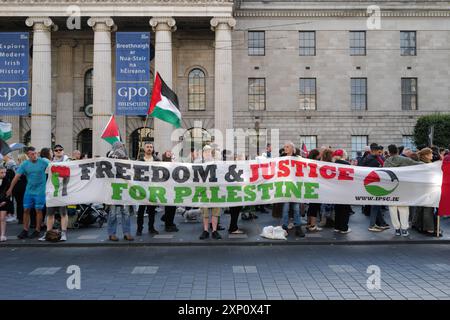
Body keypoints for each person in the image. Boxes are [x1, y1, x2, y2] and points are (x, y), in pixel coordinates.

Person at [6, 147, 50, 239]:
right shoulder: (24, 164)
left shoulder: (43, 162)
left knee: (38, 210)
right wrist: (10, 189)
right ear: (28, 155)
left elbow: (54, 169)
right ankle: (25, 230)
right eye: (32, 154)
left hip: (40, 191)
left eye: (35, 153)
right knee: (26, 210)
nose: (34, 155)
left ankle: (37, 230)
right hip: (29, 191)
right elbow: (16, 177)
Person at [383, 144, 421, 237]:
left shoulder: (386, 162)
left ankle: (396, 229)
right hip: (403, 187)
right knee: (404, 208)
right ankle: (404, 229)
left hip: (391, 188)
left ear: (389, 151)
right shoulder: (404, 160)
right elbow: (418, 164)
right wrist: (432, 165)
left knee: (392, 208)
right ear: (397, 151)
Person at [39, 144, 70, 241]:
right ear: (53, 152)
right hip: (52, 190)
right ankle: (48, 233)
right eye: (56, 150)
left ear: (63, 151)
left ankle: (64, 233)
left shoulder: (68, 161)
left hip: (63, 190)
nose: (58, 151)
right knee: (50, 214)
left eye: (60, 149)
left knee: (63, 213)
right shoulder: (50, 162)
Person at [107, 141, 134, 241]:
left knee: (125, 212)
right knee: (113, 213)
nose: (122, 147)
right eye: (121, 146)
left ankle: (127, 233)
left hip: (124, 187)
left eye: (123, 146)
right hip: (113, 188)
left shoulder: (127, 157)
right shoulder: (109, 156)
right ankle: (111, 233)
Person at [361, 143, 389, 232]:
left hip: (372, 184)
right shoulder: (373, 160)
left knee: (376, 205)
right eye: (378, 151)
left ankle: (381, 223)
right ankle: (372, 225)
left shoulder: (369, 158)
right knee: (375, 205)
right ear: (374, 151)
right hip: (374, 184)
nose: (380, 153)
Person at [280, 142, 304, 237]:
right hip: (285, 186)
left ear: (292, 148)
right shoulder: (281, 158)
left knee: (296, 208)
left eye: (287, 147)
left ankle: (298, 227)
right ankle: (284, 227)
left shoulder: (297, 158)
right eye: (284, 146)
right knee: (285, 208)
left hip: (295, 186)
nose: (285, 148)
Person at [412, 148, 437, 236]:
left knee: (421, 208)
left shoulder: (424, 164)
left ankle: (416, 224)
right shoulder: (425, 165)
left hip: (424, 189)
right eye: (431, 154)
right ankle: (428, 228)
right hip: (427, 189)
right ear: (426, 155)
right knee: (428, 208)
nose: (432, 155)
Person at [136, 142, 159, 236]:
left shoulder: (157, 160)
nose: (149, 148)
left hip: (153, 188)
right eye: (147, 147)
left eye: (151, 147)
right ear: (144, 149)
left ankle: (151, 228)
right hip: (142, 188)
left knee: (152, 211)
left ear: (153, 149)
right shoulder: (140, 161)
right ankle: (139, 229)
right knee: (141, 211)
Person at [199, 145, 222, 240]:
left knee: (215, 212)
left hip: (215, 190)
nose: (207, 153)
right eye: (206, 151)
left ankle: (214, 230)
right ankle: (205, 230)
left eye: (209, 151)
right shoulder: (199, 163)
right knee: (205, 212)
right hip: (203, 190)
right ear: (203, 153)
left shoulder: (217, 163)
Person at [332, 149, 353, 234]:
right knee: (345, 209)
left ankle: (337, 226)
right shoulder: (347, 164)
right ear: (344, 155)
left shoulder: (332, 164)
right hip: (345, 189)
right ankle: (344, 228)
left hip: (335, 189)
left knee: (337, 208)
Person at [161, 150, 179, 232]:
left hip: (172, 188)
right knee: (169, 207)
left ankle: (170, 221)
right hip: (166, 189)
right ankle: (168, 225)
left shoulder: (173, 163)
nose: (169, 153)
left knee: (173, 207)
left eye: (170, 152)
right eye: (167, 152)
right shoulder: (162, 164)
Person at [306, 149, 322, 232]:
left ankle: (309, 223)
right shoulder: (317, 164)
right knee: (314, 206)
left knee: (311, 206)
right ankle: (313, 225)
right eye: (319, 155)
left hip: (309, 186)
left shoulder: (307, 162)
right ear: (316, 156)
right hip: (315, 186)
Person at [13, 153, 28, 225]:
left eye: (18, 159)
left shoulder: (16, 167)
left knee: (19, 203)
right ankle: (22, 218)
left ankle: (20, 218)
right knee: (22, 202)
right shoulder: (26, 166)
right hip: (24, 186)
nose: (17, 160)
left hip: (16, 186)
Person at [0, 167, 14, 241]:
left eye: (4, 172)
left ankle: (2, 235)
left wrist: (5, 201)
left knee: (2, 219)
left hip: (4, 202)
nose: (4, 174)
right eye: (1, 172)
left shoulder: (8, 181)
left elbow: (9, 193)